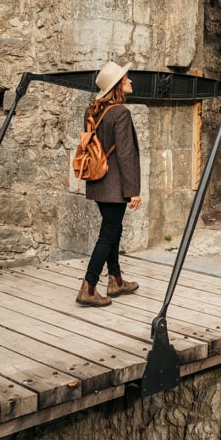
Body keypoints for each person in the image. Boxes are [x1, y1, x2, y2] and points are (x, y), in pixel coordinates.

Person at [76, 61, 141, 307]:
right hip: (115, 185)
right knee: (109, 233)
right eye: (126, 79)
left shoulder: (92, 110)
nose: (131, 81)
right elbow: (125, 155)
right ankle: (89, 286)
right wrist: (133, 191)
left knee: (113, 229)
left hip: (97, 180)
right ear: (118, 86)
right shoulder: (120, 113)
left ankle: (116, 280)